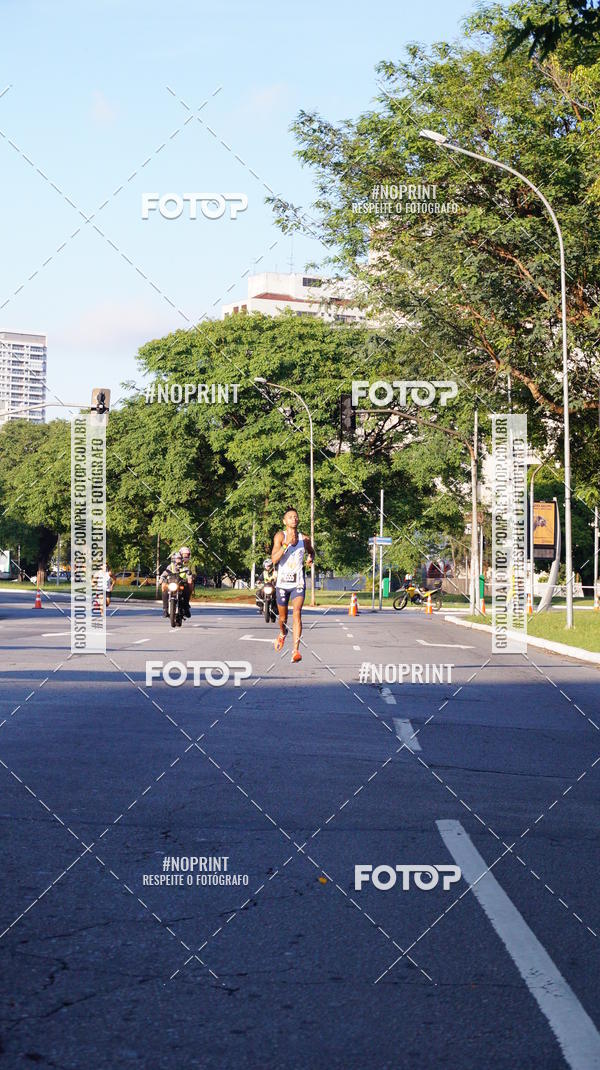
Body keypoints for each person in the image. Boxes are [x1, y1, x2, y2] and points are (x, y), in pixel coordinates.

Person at [270, 507, 314, 663]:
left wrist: (310, 558)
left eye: (296, 516)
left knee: (297, 613)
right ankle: (282, 634)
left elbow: (312, 551)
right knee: (283, 618)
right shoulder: (280, 536)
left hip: (298, 583)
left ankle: (296, 650)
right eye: (290, 517)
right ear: (284, 521)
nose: (294, 519)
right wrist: (285, 545)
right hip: (282, 584)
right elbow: (274, 559)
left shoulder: (305, 539)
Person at [160, 551, 183, 617]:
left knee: (185, 593)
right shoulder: (170, 566)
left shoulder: (184, 567)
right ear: (173, 559)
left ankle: (185, 608)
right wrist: (161, 579)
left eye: (179, 558)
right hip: (172, 584)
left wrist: (189, 576)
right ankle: (165, 609)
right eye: (177, 558)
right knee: (165, 591)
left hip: (181, 584)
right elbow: (165, 573)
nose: (178, 560)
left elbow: (188, 573)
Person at [178, 546, 194, 618]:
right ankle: (166, 608)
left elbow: (194, 573)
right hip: (176, 580)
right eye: (184, 554)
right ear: (181, 554)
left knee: (190, 583)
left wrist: (191, 576)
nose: (186, 556)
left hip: (186, 581)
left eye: (187, 555)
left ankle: (186, 604)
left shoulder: (191, 564)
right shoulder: (176, 562)